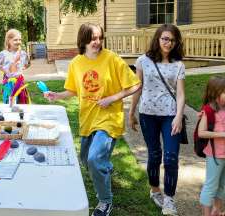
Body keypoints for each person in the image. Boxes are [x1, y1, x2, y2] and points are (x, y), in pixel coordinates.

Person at [44, 23, 141, 216]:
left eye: (99, 38)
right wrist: (57, 96)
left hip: (109, 118)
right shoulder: (76, 63)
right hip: (88, 118)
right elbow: (73, 89)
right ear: (84, 40)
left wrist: (112, 98)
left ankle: (105, 201)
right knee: (85, 160)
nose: (97, 42)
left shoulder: (112, 59)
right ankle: (106, 167)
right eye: (93, 38)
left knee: (94, 159)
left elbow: (135, 84)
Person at [129, 24, 186, 216]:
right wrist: (131, 112)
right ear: (158, 39)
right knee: (154, 154)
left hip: (170, 115)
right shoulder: (143, 61)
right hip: (148, 115)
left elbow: (180, 94)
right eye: (164, 38)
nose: (167, 43)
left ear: (176, 42)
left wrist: (179, 116)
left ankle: (169, 200)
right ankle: (155, 190)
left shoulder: (178, 65)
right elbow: (138, 87)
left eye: (171, 39)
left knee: (171, 158)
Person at [198, 76, 225, 216]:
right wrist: (222, 135)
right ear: (215, 93)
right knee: (211, 186)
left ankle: (217, 210)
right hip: (215, 155)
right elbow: (201, 133)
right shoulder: (208, 110)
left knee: (223, 186)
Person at [0, 29, 31, 104]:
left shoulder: (23, 53)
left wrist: (22, 68)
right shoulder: (4, 54)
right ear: (8, 41)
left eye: (20, 40)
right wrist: (2, 69)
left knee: (22, 104)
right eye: (15, 40)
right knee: (10, 105)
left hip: (20, 83)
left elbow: (28, 63)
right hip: (9, 84)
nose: (18, 42)